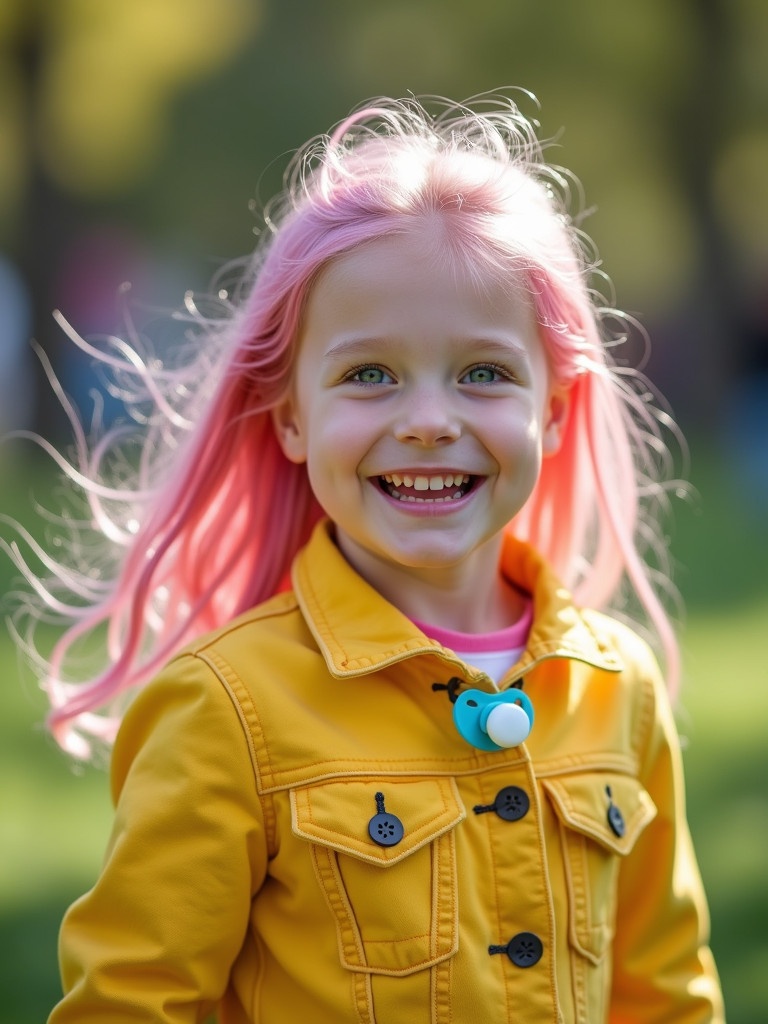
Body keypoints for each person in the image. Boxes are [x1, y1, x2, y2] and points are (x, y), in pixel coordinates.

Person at [12, 92, 724, 1022]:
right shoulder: (230, 711)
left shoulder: (616, 691)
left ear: (551, 407)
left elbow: (665, 994)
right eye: (369, 375)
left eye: (484, 372)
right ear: (292, 416)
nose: (429, 421)